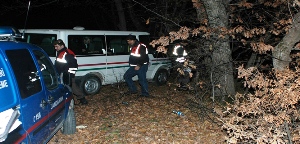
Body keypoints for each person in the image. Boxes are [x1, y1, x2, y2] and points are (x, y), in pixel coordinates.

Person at [53, 39, 88, 105]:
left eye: (56, 46)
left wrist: (69, 75)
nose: (55, 48)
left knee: (73, 87)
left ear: (62, 46)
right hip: (62, 74)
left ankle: (83, 99)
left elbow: (73, 65)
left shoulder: (67, 53)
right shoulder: (61, 53)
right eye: (55, 46)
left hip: (67, 75)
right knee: (67, 87)